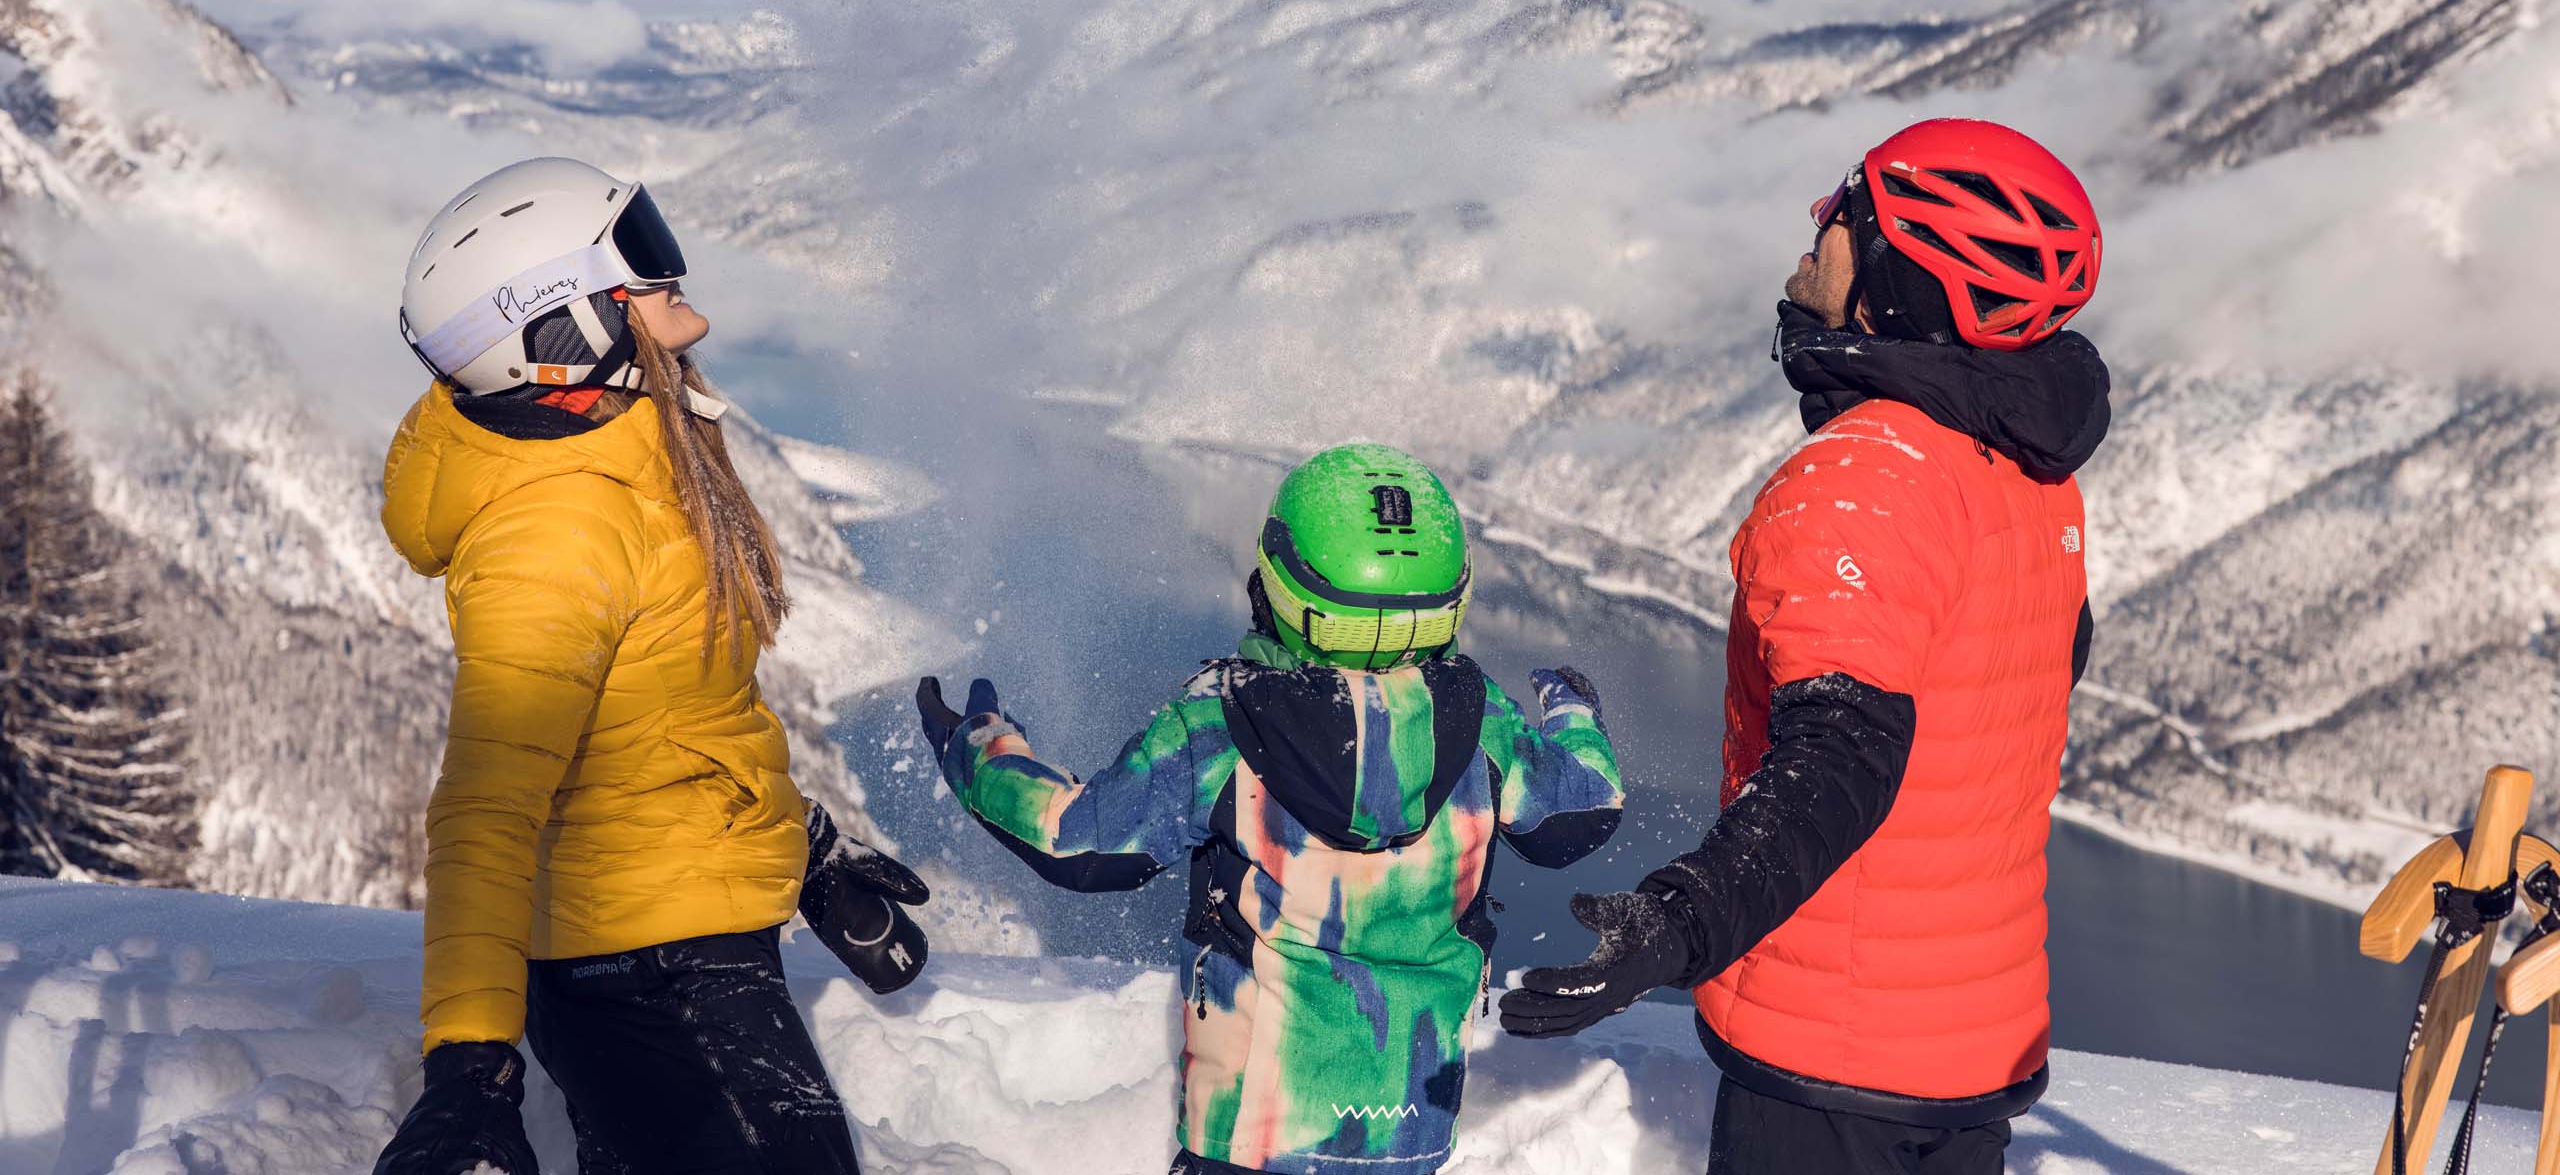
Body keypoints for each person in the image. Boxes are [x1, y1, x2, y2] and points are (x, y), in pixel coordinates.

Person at [1499, 118, 2111, 1175]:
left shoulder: (1860, 479)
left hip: (1836, 1059)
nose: (1817, 220)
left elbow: (1838, 765)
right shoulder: (2027, 477)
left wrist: (1675, 922)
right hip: (1971, 1042)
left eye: (1848, 209)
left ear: (1895, 279)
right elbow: (2015, 690)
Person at [372, 157, 933, 1175]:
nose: (692, 315)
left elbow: (669, 717)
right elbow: (486, 813)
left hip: (672, 946)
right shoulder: (556, 534)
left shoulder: (625, 443)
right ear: (561, 329)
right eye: (654, 276)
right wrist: (471, 1067)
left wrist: (795, 847)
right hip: (643, 978)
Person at [915, 443, 1626, 1175]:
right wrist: (1574, 713)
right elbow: (1583, 809)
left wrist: (977, 751)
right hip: (1412, 1133)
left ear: (1281, 587)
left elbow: (1077, 841)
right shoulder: (1485, 726)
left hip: (1248, 1136)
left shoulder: (1223, 721)